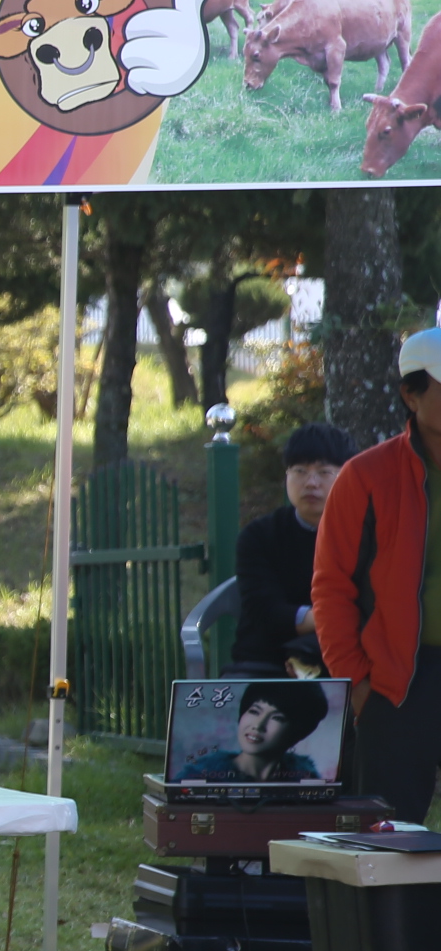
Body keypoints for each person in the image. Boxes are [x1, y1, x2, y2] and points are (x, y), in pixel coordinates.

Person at [312, 327, 441, 823]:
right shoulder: (366, 477)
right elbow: (331, 585)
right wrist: (359, 684)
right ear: (411, 394)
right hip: (396, 682)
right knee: (388, 841)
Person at [231, 422, 354, 676]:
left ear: (347, 476)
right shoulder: (259, 536)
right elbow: (265, 612)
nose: (311, 483)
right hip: (266, 661)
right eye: (299, 471)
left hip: (347, 661)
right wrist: (334, 618)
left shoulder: (367, 534)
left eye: (323, 472)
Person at [176, 679, 330, 782]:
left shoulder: (306, 780)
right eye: (254, 711)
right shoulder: (200, 777)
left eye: (277, 718)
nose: (258, 725)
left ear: (298, 731)